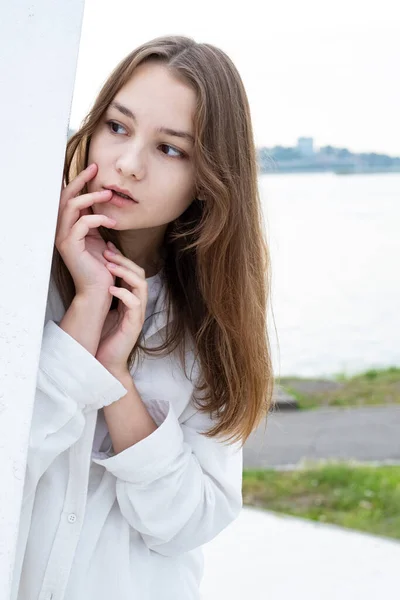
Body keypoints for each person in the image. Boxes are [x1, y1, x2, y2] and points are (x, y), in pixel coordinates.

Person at [11, 35, 273, 600]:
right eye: (118, 127)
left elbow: (189, 524)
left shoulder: (208, 320)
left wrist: (117, 383)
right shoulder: (20, 274)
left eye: (170, 149)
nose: (127, 166)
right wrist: (84, 311)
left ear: (209, 178)